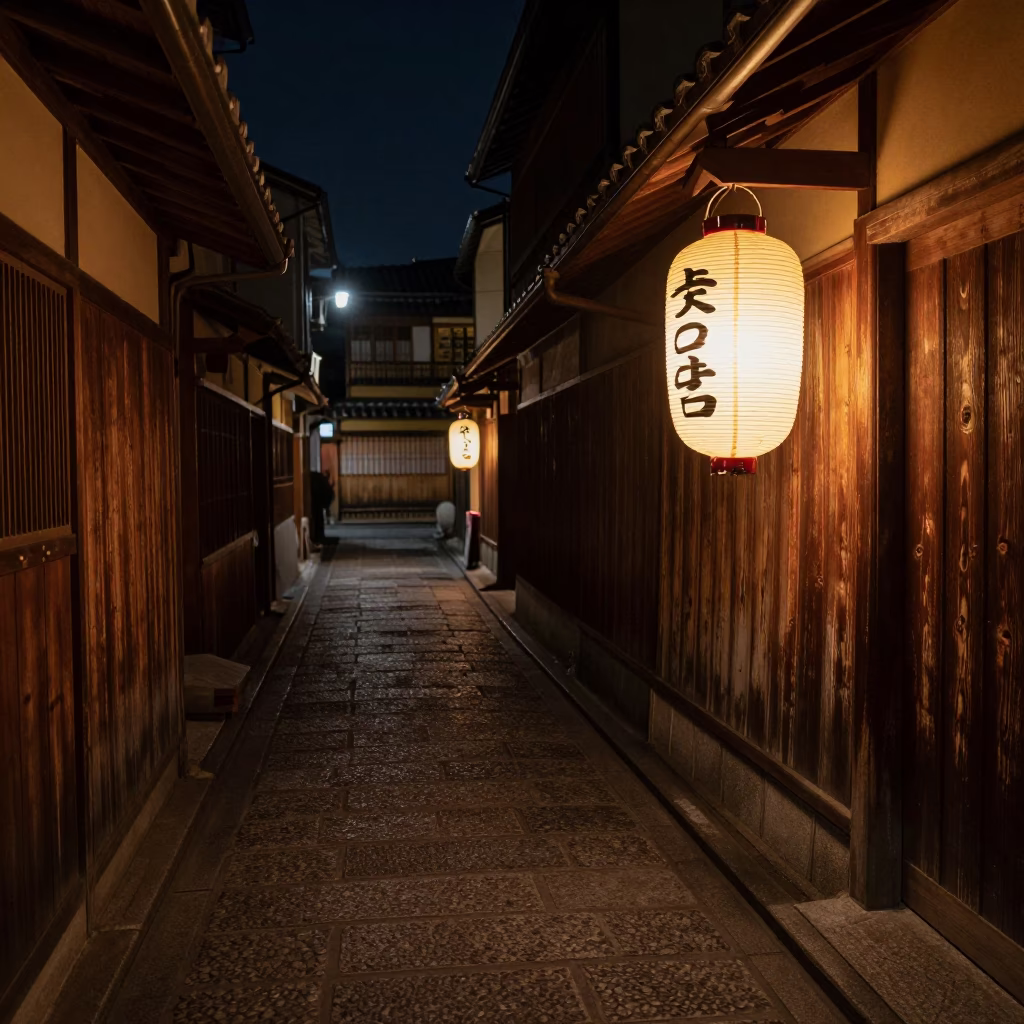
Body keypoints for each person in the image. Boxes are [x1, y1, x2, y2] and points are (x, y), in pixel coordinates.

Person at [309, 470, 334, 544]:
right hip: (317, 498)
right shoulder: (320, 480)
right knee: (318, 517)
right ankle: (318, 536)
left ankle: (318, 536)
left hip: (317, 499)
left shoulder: (319, 479)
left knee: (318, 516)